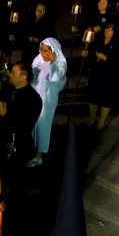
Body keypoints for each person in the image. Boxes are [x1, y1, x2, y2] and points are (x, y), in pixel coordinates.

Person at [0, 63, 43, 186]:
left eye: (13, 73)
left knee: (14, 183)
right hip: (2, 144)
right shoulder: (10, 90)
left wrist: (6, 114)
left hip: (18, 150)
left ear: (23, 77)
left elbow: (24, 125)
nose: (10, 75)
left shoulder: (33, 99)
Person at [27, 38, 67, 167]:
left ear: (53, 51)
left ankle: (39, 155)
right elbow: (33, 75)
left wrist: (51, 63)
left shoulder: (60, 63)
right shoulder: (39, 58)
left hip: (48, 98)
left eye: (45, 51)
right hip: (35, 94)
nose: (42, 53)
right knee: (31, 122)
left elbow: (55, 78)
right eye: (41, 50)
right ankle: (30, 147)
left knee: (43, 125)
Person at [82, 24, 119, 130]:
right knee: (93, 96)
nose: (107, 31)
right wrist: (86, 54)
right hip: (96, 72)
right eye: (106, 28)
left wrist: (105, 58)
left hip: (109, 75)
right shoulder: (98, 40)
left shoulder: (118, 44)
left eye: (110, 30)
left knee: (106, 98)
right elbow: (91, 53)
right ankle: (92, 118)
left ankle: (102, 121)